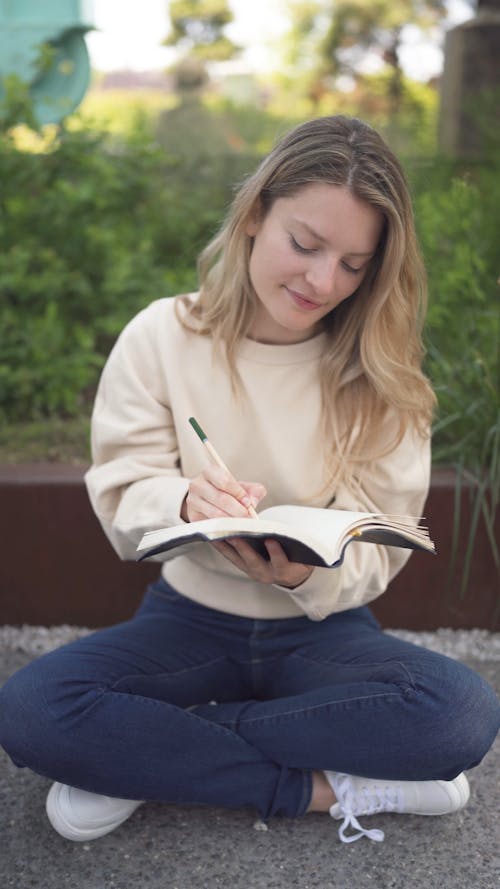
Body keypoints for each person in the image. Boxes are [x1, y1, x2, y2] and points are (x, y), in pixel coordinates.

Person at [0, 115, 498, 846]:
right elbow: (122, 482)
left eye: (354, 263)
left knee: (459, 713)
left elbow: (380, 543)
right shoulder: (162, 337)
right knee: (32, 708)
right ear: (258, 212)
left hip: (322, 630)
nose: (323, 281)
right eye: (305, 243)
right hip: (186, 620)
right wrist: (181, 499)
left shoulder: (383, 373)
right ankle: (316, 787)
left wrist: (305, 572)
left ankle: (147, 755)